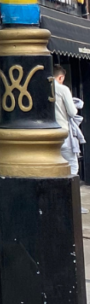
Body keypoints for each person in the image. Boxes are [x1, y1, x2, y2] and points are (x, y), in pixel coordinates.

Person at [54, 67, 87, 213]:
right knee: (72, 167)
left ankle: (56, 202)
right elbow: (72, 112)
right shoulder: (63, 89)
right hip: (64, 134)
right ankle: (71, 204)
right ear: (60, 77)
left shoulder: (41, 88)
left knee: (54, 169)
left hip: (47, 136)